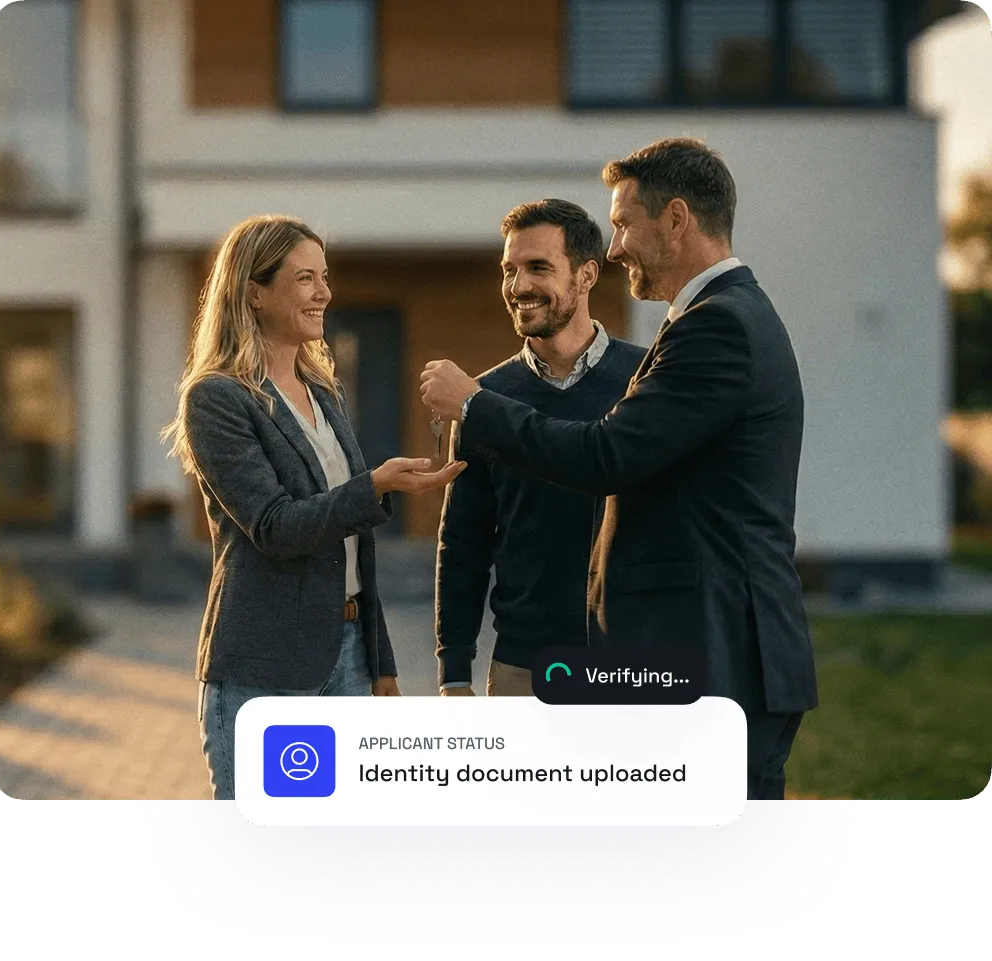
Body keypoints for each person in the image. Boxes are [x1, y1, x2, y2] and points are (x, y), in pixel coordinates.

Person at [420, 138, 818, 799]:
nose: (616, 246)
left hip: (718, 659)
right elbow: (464, 540)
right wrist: (453, 667)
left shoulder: (715, 326)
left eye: (625, 222)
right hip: (680, 658)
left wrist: (473, 405)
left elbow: (607, 455)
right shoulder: (717, 318)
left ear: (676, 218)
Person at [163, 214, 464, 800]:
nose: (324, 292)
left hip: (348, 656)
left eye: (324, 277)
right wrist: (373, 486)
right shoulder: (219, 398)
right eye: (305, 278)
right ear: (254, 291)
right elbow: (275, 527)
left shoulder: (324, 391)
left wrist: (381, 661)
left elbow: (355, 547)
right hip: (265, 667)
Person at [436, 199, 646, 697]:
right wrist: (454, 672)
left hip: (634, 661)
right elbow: (463, 542)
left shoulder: (646, 380)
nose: (519, 286)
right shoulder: (482, 400)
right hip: (522, 668)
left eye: (538, 268)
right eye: (509, 270)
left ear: (587, 274)